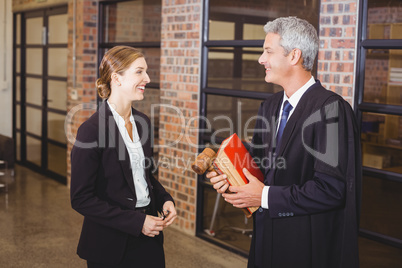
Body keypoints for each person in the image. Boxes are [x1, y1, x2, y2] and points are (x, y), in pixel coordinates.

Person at [207, 17, 361, 268]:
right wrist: (229, 179)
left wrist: (264, 196)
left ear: (294, 56)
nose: (261, 60)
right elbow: (258, 166)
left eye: (268, 51)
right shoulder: (270, 106)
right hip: (266, 239)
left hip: (304, 247)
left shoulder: (331, 110)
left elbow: (331, 190)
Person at [70, 46, 177, 268]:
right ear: (116, 78)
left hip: (149, 238)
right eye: (139, 72)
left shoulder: (143, 122)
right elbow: (81, 198)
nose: (147, 78)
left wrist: (164, 198)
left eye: (146, 71)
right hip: (109, 244)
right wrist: (137, 222)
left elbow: (144, 175)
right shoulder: (90, 130)